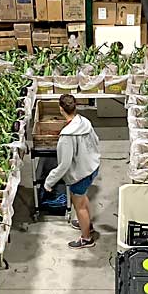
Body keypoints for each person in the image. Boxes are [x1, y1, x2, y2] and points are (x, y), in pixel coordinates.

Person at [43, 94, 101, 249]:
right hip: (92, 167)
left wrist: (49, 182)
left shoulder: (67, 136)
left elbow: (64, 164)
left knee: (79, 206)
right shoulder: (85, 122)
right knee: (83, 198)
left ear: (61, 109)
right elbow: (96, 141)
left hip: (80, 175)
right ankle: (87, 225)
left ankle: (86, 238)